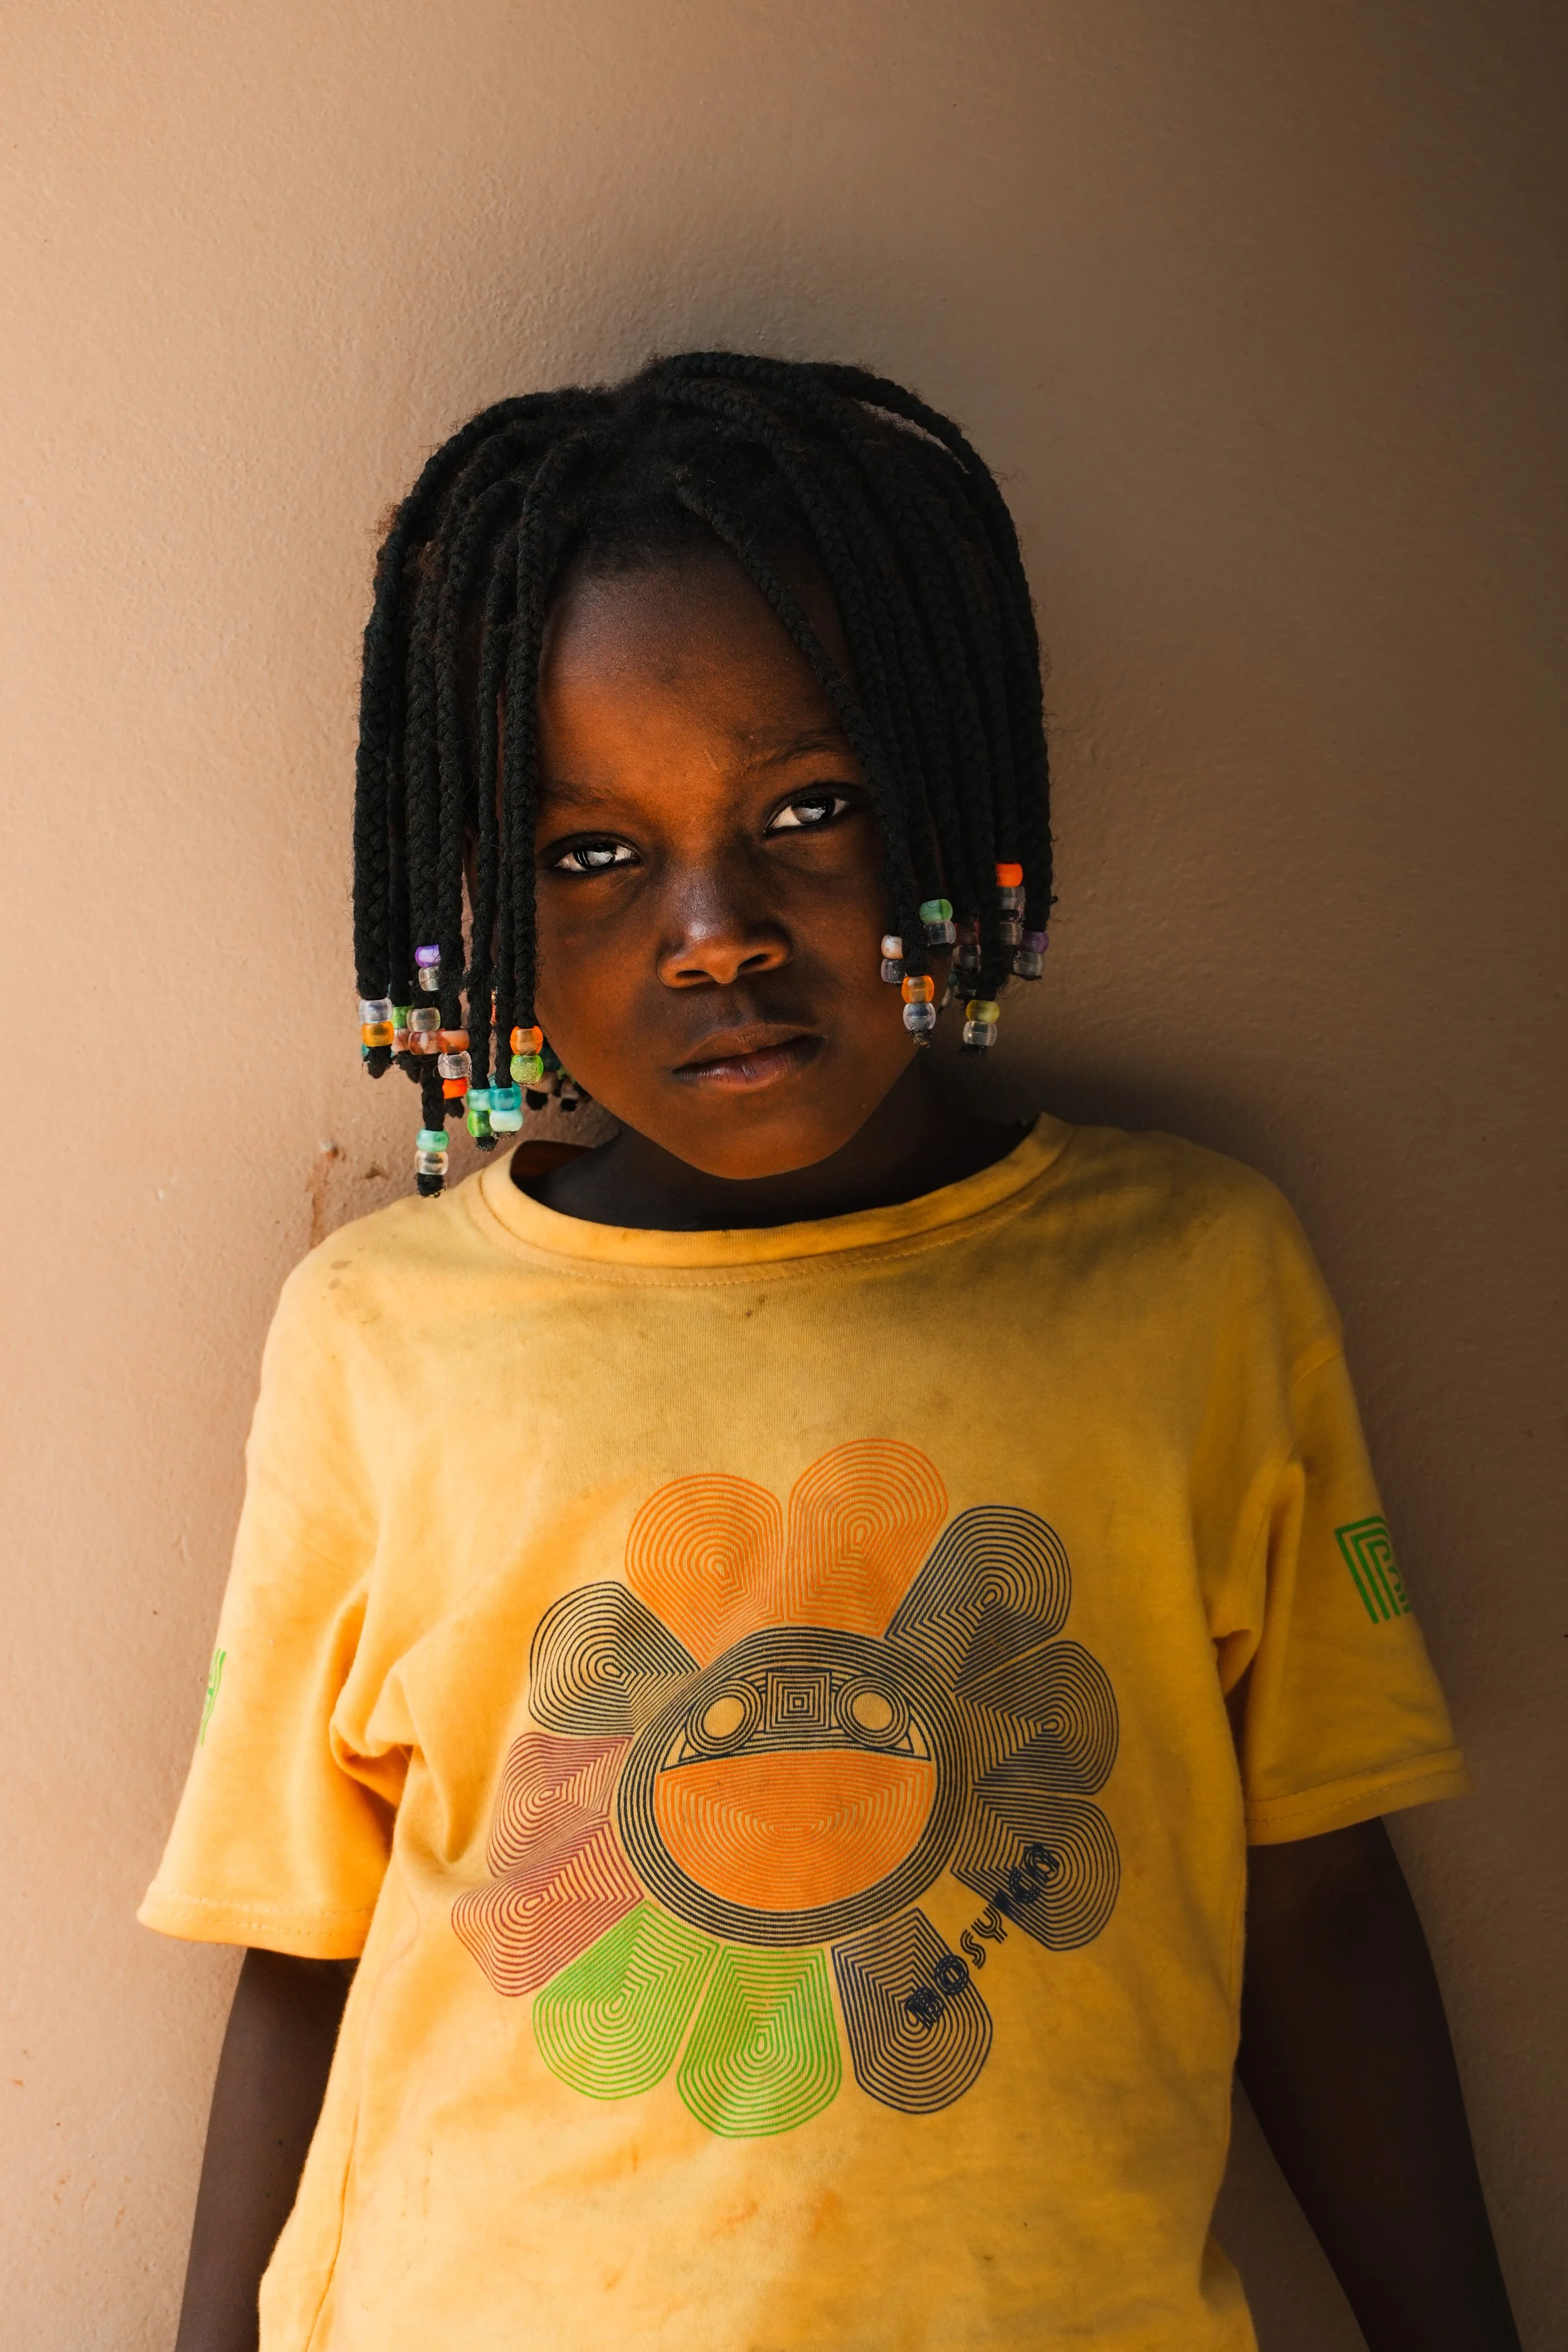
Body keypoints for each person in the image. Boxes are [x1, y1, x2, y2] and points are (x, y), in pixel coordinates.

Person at [142, 354, 1520, 2352]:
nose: (713, 929)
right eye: (594, 853)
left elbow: (1315, 1894)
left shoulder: (1192, 1281)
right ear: (482, 904)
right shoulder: (377, 1337)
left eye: (808, 810)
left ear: (955, 806)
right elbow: (303, 1949)